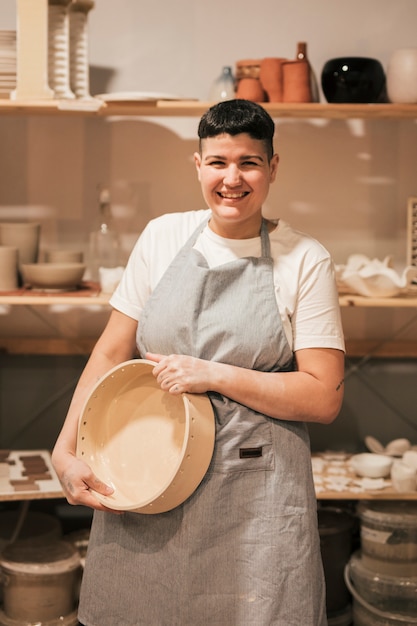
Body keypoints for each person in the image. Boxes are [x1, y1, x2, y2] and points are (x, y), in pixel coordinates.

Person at [52, 99, 345, 626]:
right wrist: (64, 448)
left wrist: (213, 374)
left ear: (273, 167)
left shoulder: (305, 258)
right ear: (198, 164)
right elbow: (111, 350)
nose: (232, 179)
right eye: (218, 162)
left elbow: (323, 397)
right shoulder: (162, 237)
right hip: (147, 476)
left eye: (249, 163)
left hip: (254, 497)